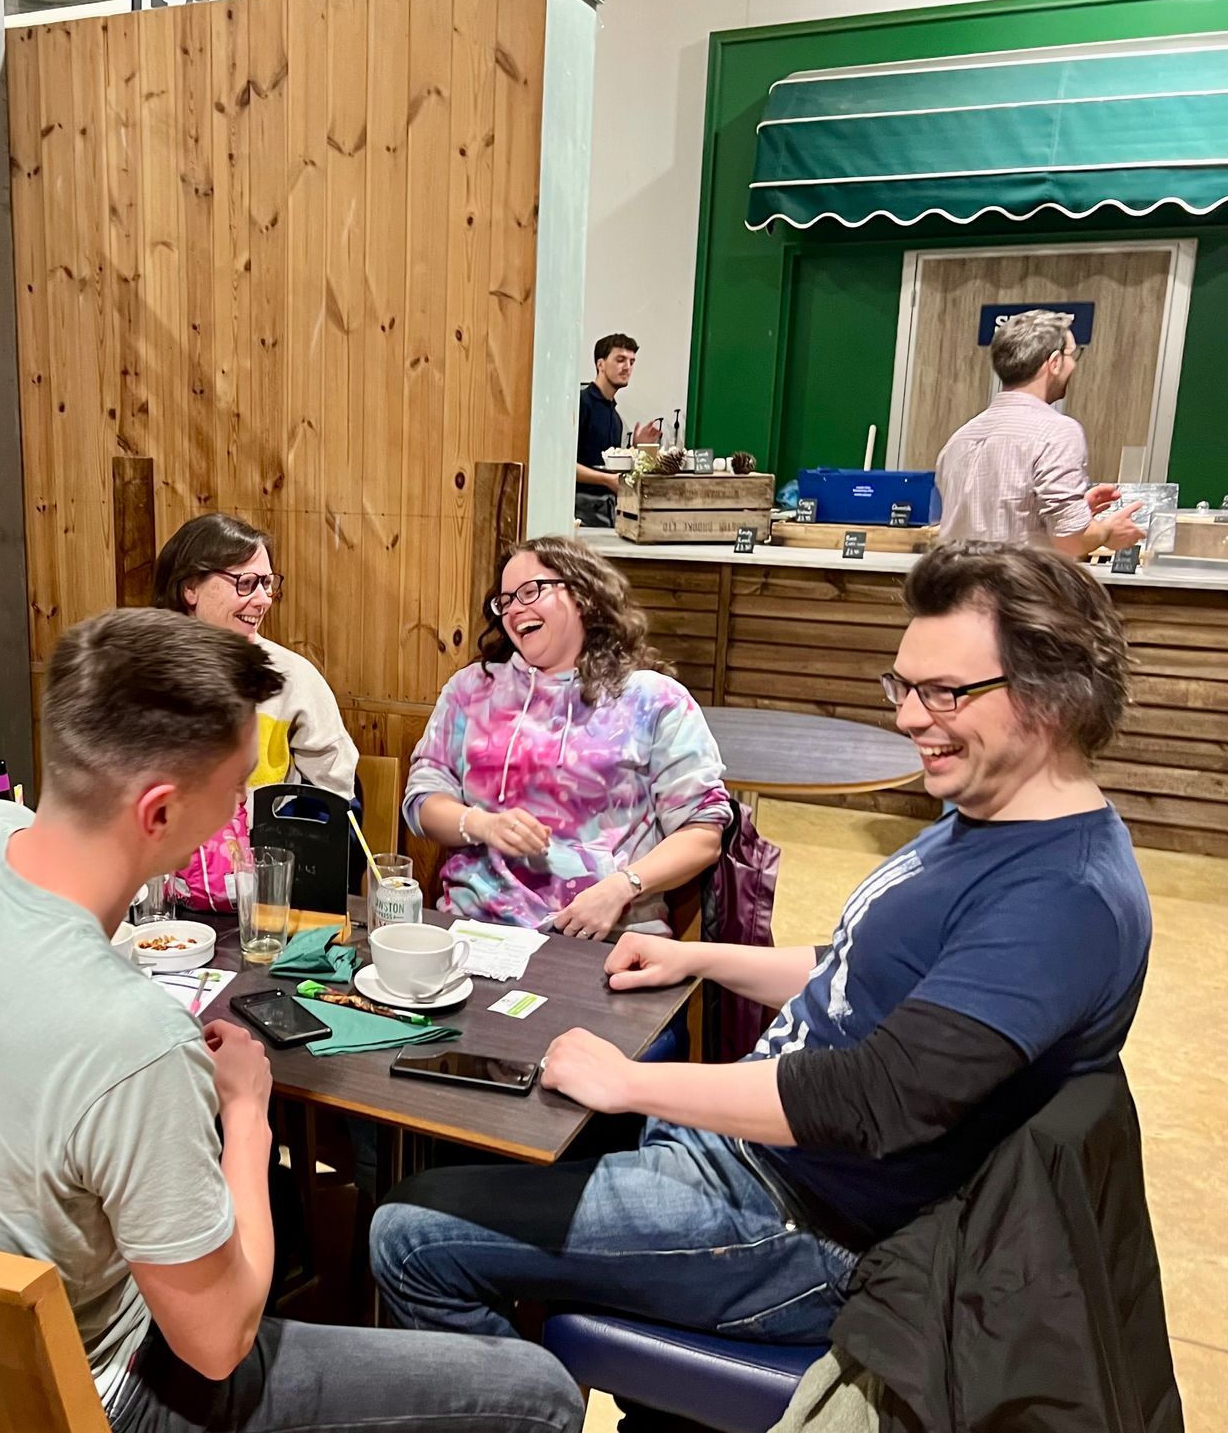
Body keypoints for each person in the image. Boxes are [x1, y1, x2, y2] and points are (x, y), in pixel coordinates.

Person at [372, 542, 1150, 1360]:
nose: (909, 716)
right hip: (757, 1164)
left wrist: (633, 1082)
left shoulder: (1064, 896)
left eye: (944, 692)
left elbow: (875, 1098)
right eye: (904, 687)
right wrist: (702, 960)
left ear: (1055, 696)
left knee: (411, 1229)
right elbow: (856, 970)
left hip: (801, 1217)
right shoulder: (991, 819)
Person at [0, 607, 583, 1433]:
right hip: (87, 1398)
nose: (245, 809)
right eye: (236, 787)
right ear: (160, 811)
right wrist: (246, 1114)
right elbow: (217, 1344)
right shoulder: (137, 1043)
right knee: (537, 1393)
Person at [405, 536, 728, 937]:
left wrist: (621, 887)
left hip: (606, 942)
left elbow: (702, 834)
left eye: (531, 591)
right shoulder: (472, 688)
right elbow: (422, 800)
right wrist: (481, 824)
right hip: (475, 930)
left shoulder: (653, 699)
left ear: (583, 596)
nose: (515, 609)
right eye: (505, 601)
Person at [152, 514, 357, 909]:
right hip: (160, 904)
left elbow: (337, 799)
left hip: (260, 902)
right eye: (245, 583)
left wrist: (274, 842)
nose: (262, 599)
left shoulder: (291, 678)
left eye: (267, 583)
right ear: (190, 587)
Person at [936, 309, 1145, 559]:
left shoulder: (960, 438)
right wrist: (1108, 531)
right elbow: (1070, 543)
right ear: (1054, 362)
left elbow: (993, 525)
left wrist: (1075, 512)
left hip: (957, 589)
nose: (1074, 364)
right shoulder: (1058, 432)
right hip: (1017, 593)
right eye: (1073, 354)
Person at [574, 333, 662, 529]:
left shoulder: (615, 419)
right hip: (578, 512)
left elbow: (608, 466)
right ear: (601, 364)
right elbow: (562, 465)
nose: (627, 367)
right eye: (620, 360)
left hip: (606, 512)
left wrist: (636, 449)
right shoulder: (580, 404)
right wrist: (607, 480)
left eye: (632, 362)